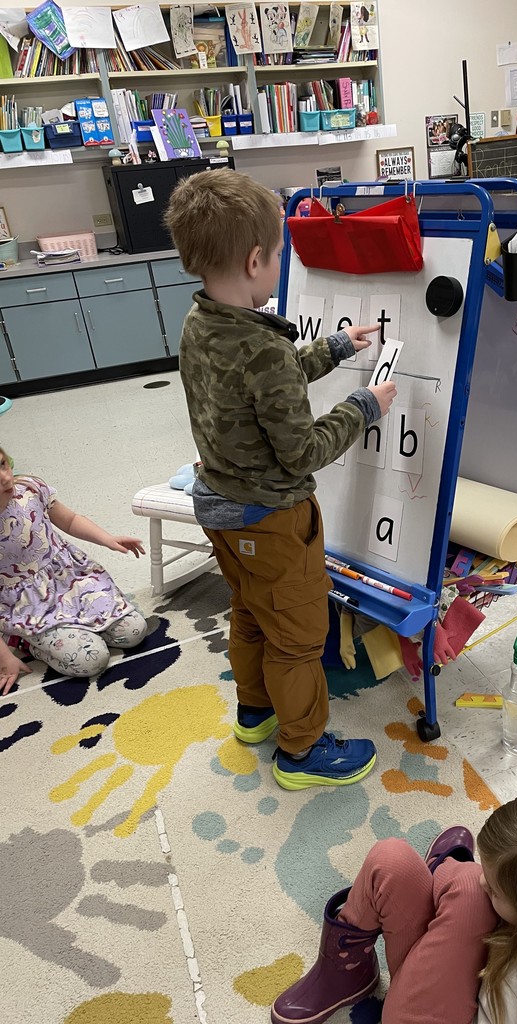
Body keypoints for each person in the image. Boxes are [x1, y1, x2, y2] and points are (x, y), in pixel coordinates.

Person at [164, 169, 397, 792]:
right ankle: (302, 749)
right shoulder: (261, 347)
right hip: (271, 517)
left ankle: (255, 711)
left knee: (250, 610)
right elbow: (300, 452)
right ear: (257, 258)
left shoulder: (203, 323)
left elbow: (268, 379)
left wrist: (338, 347)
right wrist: (365, 407)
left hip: (219, 506)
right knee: (297, 633)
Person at [271, 789, 517, 1024]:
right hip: (479, 982)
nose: (488, 882)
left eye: (499, 891)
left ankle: (444, 872)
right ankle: (349, 969)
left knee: (446, 879)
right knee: (408, 866)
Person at [0, 447, 147, 693]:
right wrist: (5, 658)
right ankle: (22, 639)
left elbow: (69, 520)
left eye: (3, 464)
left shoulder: (30, 489)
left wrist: (108, 539)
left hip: (69, 579)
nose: (5, 476)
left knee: (134, 632)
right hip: (27, 606)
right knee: (92, 660)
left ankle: (77, 628)